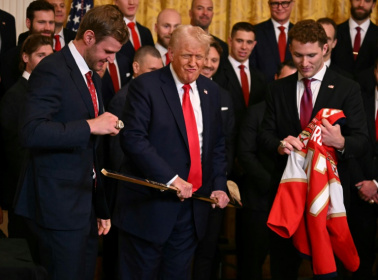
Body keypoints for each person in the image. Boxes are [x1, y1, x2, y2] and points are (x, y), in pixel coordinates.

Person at [13, 5, 128, 280]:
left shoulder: (92, 77)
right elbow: (31, 131)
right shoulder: (52, 69)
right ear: (89, 37)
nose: (111, 60)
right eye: (107, 52)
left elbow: (92, 152)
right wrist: (91, 125)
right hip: (57, 209)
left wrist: (100, 208)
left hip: (84, 208)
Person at [113, 24, 230, 279]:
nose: (193, 63)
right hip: (149, 210)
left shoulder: (212, 92)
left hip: (192, 211)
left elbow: (217, 145)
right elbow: (133, 140)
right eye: (187, 55)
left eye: (200, 56)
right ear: (171, 54)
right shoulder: (146, 86)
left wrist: (220, 185)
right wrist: (171, 179)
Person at [260, 19, 368, 280]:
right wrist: (280, 144)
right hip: (289, 196)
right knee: (283, 269)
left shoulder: (347, 87)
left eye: (311, 55)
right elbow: (264, 135)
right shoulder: (277, 89)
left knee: (330, 269)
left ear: (326, 48)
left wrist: (340, 142)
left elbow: (363, 141)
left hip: (330, 198)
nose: (304, 62)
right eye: (298, 55)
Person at [237, 60, 296, 280]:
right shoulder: (255, 112)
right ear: (275, 79)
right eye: (285, 80)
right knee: (252, 262)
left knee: (286, 263)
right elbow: (245, 154)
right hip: (259, 200)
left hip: (291, 202)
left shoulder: (302, 113)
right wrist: (273, 185)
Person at [0, 34, 53, 243]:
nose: (47, 61)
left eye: (50, 56)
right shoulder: (13, 97)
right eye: (41, 55)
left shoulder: (51, 92)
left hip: (48, 195)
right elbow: (14, 152)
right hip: (23, 194)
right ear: (25, 57)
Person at [192, 39, 235, 280]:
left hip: (214, 184)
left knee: (207, 250)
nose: (207, 64)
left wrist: (220, 181)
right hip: (185, 184)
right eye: (204, 58)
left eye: (214, 60)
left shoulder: (223, 95)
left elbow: (227, 142)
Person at [348, 57, 378, 279]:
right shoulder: (360, 100)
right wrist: (361, 183)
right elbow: (347, 144)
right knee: (359, 260)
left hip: (374, 186)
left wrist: (376, 184)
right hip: (359, 194)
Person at [213, 22, 267, 132]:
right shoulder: (217, 73)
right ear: (230, 41)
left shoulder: (261, 77)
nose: (244, 47)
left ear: (254, 44)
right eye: (239, 41)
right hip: (226, 139)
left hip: (252, 141)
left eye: (249, 42)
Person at [0, 0, 55, 95]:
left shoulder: (59, 57)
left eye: (51, 22)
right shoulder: (9, 59)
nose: (47, 28)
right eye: (41, 22)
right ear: (28, 23)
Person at [250, 0, 295, 82]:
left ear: (292, 4)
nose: (280, 8)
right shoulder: (255, 32)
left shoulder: (299, 32)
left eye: (284, 3)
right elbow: (251, 66)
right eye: (275, 3)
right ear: (269, 5)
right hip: (263, 90)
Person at [332, 0, 378, 78]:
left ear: (373, 4)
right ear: (350, 1)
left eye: (367, 1)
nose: (361, 4)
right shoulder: (335, 32)